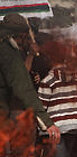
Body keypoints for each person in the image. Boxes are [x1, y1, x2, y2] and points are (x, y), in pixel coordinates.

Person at [0, 13, 60, 145]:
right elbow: (23, 87)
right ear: (18, 36)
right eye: (23, 37)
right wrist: (47, 122)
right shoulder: (6, 49)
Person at [37, 42, 77, 157]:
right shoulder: (76, 79)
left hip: (56, 128)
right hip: (68, 127)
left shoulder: (48, 80)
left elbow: (41, 106)